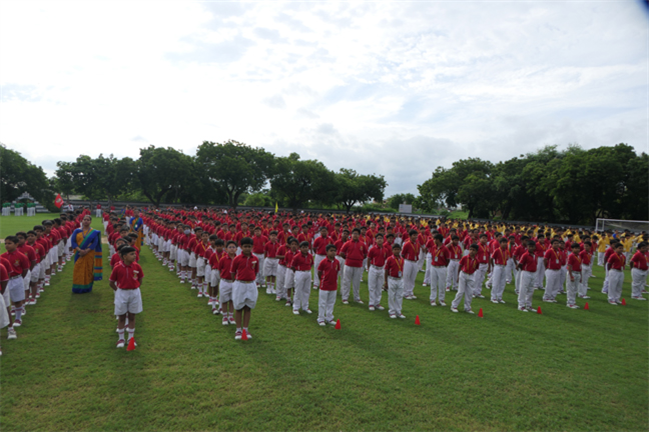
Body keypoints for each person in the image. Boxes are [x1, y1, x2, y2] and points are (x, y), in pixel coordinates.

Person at [109, 246, 144, 348]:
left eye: (134, 254)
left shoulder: (137, 266)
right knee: (121, 316)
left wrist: (134, 287)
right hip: (122, 292)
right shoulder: (117, 267)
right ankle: (121, 339)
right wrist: (119, 291)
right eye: (131, 254)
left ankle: (131, 338)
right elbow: (111, 282)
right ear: (124, 256)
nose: (134, 256)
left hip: (134, 292)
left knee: (132, 315)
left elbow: (140, 279)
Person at [230, 237, 259, 340]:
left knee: (248, 307)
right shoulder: (237, 258)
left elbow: (255, 271)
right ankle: (238, 329)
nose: (247, 248)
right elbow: (233, 272)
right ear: (241, 247)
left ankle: (245, 329)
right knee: (238, 307)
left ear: (252, 247)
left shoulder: (255, 259)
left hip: (251, 284)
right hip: (240, 284)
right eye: (245, 246)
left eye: (249, 246)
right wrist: (237, 282)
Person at [1, 236, 30, 329]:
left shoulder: (21, 256)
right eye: (6, 243)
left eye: (9, 243)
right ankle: (6, 319)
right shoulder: (2, 256)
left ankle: (18, 318)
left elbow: (25, 269)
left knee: (17, 300)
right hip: (5, 281)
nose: (7, 245)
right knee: (5, 300)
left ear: (16, 244)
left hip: (16, 279)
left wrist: (19, 278)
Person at [70, 215, 103, 294]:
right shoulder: (77, 231)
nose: (86, 221)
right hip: (78, 253)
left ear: (90, 222)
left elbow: (95, 243)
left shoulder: (94, 232)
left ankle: (87, 287)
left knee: (88, 270)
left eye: (88, 220)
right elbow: (73, 242)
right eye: (84, 219)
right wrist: (80, 250)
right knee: (78, 269)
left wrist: (86, 251)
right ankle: (77, 288)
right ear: (82, 221)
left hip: (89, 254)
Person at [340, 228, 368, 304]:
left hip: (358, 265)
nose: (355, 235)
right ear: (351, 235)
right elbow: (341, 253)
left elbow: (365, 254)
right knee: (346, 281)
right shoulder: (347, 243)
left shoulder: (362, 244)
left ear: (359, 235)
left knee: (356, 282)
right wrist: (348, 258)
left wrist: (359, 258)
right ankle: (345, 297)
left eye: (357, 234)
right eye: (354, 233)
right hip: (348, 265)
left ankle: (356, 297)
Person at [450, 244, 479, 314]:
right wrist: (458, 276)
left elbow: (475, 268)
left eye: (473, 250)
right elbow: (460, 266)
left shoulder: (477, 260)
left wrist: (471, 274)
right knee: (460, 291)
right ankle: (454, 306)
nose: (471, 251)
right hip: (463, 274)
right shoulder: (465, 258)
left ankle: (467, 307)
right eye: (470, 249)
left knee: (469, 293)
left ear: (476, 252)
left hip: (471, 275)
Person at [317, 245, 340, 325]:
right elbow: (319, 272)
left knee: (331, 302)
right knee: (322, 302)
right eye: (331, 251)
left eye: (334, 251)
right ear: (327, 252)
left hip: (333, 285)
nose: (333, 252)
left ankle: (329, 317)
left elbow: (337, 272)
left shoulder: (337, 262)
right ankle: (321, 318)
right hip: (324, 285)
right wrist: (322, 280)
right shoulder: (323, 262)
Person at [291, 241, 314, 315]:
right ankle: (296, 307)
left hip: (308, 272)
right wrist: (297, 272)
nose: (305, 249)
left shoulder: (310, 256)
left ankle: (305, 306)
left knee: (307, 290)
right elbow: (292, 266)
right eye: (303, 247)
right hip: (300, 272)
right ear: (300, 248)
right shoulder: (297, 256)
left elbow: (311, 264)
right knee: (298, 290)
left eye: (306, 247)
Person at [384, 243, 406, 319]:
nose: (397, 251)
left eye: (398, 249)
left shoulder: (402, 259)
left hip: (400, 279)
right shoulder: (389, 259)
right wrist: (386, 282)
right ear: (392, 250)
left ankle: (398, 311)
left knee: (399, 296)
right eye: (395, 249)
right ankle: (392, 311)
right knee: (391, 296)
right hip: (392, 279)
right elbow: (386, 270)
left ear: (400, 250)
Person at [218, 241, 237, 325]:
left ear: (236, 249)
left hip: (235, 282)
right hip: (225, 281)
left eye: (233, 247)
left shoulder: (238, 259)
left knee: (232, 299)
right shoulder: (223, 259)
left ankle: (231, 316)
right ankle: (225, 316)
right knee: (224, 299)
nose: (232, 249)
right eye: (230, 247)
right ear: (226, 249)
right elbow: (220, 269)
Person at [367, 233, 388, 311]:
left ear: (383, 240)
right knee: (372, 286)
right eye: (378, 238)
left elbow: (385, 259)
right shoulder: (372, 249)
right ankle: (371, 303)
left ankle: (377, 302)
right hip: (374, 268)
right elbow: (369, 258)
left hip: (381, 269)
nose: (379, 240)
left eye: (381, 238)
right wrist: (369, 268)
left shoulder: (385, 250)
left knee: (379, 286)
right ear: (375, 240)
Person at [516, 241, 538, 312]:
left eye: (532, 247)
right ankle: (521, 305)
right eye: (529, 246)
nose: (531, 248)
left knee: (531, 289)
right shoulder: (525, 255)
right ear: (527, 247)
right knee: (523, 289)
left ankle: (529, 305)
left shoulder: (535, 255)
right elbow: (520, 264)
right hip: (526, 272)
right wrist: (523, 270)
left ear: (534, 247)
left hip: (533, 273)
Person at [400, 230, 420, 300]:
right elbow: (402, 254)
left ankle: (410, 291)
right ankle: (405, 292)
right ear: (410, 236)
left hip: (415, 261)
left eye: (416, 235)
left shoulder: (417, 243)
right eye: (414, 235)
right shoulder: (407, 244)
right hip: (408, 261)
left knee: (413, 277)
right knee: (406, 277)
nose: (415, 236)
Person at [490, 237, 509, 304]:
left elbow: (506, 259)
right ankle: (493, 297)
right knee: (496, 282)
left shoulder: (506, 251)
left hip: (504, 267)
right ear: (500, 243)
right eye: (503, 243)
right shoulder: (497, 250)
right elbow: (491, 258)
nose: (505, 244)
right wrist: (493, 266)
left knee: (502, 283)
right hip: (498, 266)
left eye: (505, 243)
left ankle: (499, 297)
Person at [565, 243, 582, 309]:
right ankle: (569, 302)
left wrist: (581, 276)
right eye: (575, 248)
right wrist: (571, 276)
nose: (577, 249)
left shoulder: (579, 256)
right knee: (570, 288)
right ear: (572, 249)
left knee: (575, 289)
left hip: (578, 273)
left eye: (578, 248)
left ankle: (573, 301)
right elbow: (569, 266)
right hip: (573, 272)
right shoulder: (571, 256)